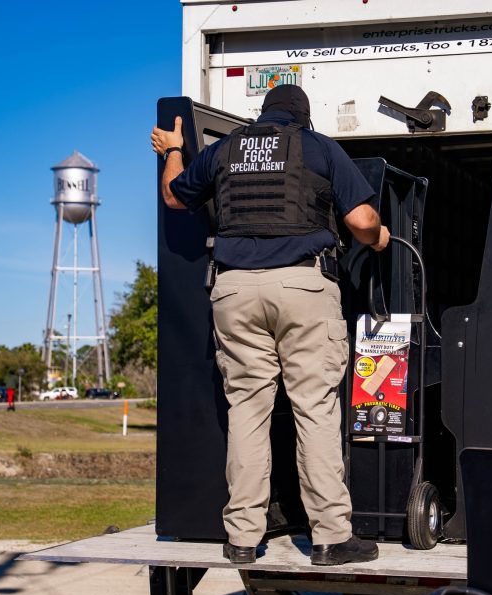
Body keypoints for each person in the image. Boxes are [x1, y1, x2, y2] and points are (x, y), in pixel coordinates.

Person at [151, 85, 388, 565]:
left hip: (234, 290)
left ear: (262, 114)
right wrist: (379, 237)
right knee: (315, 410)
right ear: (303, 116)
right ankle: (329, 537)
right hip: (303, 287)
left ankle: (241, 537)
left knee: (247, 411)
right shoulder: (318, 147)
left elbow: (175, 197)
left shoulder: (224, 150)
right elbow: (361, 219)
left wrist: (174, 151)